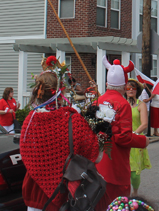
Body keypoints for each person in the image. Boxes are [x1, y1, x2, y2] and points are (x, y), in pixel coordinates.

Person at [20, 66, 100, 211]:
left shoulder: (30, 121)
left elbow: (26, 154)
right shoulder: (73, 120)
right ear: (60, 93)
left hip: (35, 192)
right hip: (66, 191)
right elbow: (92, 154)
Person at [96, 57, 149, 211]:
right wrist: (142, 141)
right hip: (116, 164)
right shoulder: (123, 104)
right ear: (124, 84)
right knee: (116, 204)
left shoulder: (98, 101)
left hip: (98, 163)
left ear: (108, 83)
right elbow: (123, 137)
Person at [126, 79, 152, 197]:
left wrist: (133, 134)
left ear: (137, 91)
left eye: (133, 88)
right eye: (128, 88)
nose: (131, 90)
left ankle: (135, 192)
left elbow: (144, 124)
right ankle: (124, 192)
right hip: (123, 140)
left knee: (134, 172)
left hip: (135, 140)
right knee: (123, 169)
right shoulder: (122, 103)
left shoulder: (141, 105)